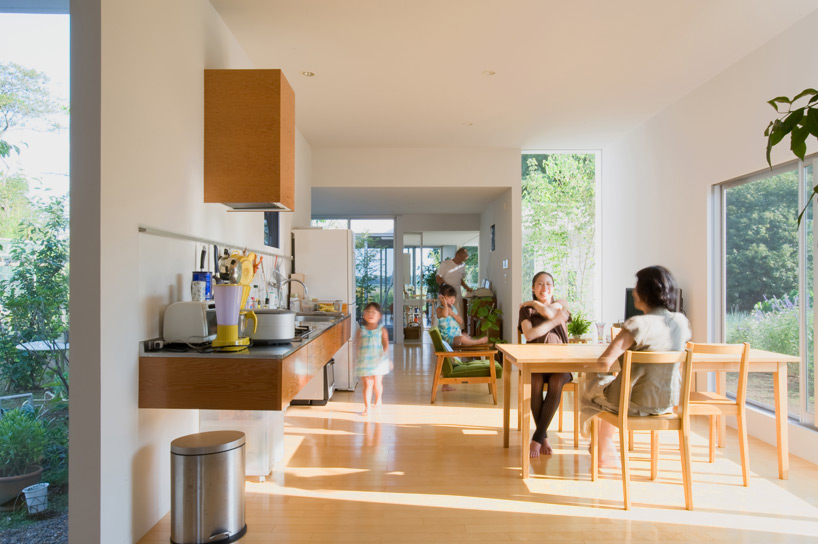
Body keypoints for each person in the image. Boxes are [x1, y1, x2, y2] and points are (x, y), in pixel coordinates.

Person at [581, 265, 691, 468]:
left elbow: (605, 362)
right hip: (666, 403)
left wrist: (583, 368)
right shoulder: (681, 322)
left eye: (637, 287)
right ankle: (603, 443)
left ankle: (600, 444)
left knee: (591, 385)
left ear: (645, 292)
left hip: (631, 405)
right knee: (612, 389)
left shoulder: (637, 324)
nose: (634, 292)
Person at [518, 271, 573, 458]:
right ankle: (544, 436)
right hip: (535, 361)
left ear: (553, 288)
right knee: (535, 383)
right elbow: (530, 335)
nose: (544, 288)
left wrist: (534, 303)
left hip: (560, 362)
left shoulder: (562, 304)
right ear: (533, 288)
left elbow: (549, 312)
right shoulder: (525, 311)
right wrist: (554, 322)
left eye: (548, 284)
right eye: (540, 284)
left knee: (557, 382)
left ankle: (537, 437)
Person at [355, 302, 391, 416]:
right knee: (367, 384)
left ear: (379, 316)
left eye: (374, 312)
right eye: (368, 311)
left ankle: (378, 398)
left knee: (377, 384)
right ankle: (367, 408)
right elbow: (357, 345)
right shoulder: (361, 330)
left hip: (378, 362)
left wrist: (384, 355)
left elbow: (385, 344)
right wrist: (356, 357)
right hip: (365, 362)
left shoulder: (382, 330)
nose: (370, 314)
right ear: (364, 315)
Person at [436, 283, 488, 347]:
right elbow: (445, 315)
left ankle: (473, 344)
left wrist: (453, 314)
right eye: (449, 297)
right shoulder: (439, 309)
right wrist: (445, 304)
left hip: (456, 335)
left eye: (454, 297)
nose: (452, 300)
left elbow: (460, 321)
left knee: (465, 335)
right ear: (442, 297)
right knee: (462, 338)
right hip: (448, 339)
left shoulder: (453, 309)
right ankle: (477, 342)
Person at [435, 248, 473, 315]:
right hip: (445, 295)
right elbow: (438, 278)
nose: (462, 260)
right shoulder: (445, 264)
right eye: (461, 257)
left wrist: (467, 288)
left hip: (457, 296)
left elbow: (460, 280)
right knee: (444, 317)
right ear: (457, 254)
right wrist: (446, 288)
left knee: (458, 317)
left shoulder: (462, 266)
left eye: (464, 258)